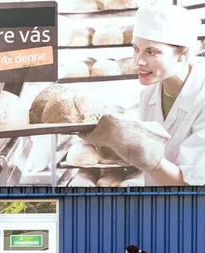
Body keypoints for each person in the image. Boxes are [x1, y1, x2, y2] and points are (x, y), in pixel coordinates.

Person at [81, 4, 205, 186]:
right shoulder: (149, 94)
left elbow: (190, 185)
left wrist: (148, 158)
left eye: (151, 52)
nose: (139, 61)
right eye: (136, 48)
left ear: (182, 55)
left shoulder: (201, 97)